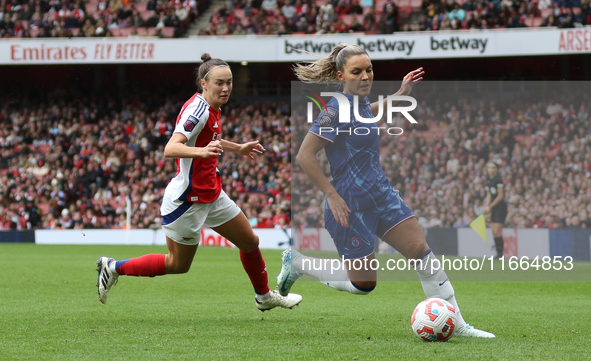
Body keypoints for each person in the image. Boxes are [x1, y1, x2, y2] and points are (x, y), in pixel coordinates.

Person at [277, 43, 494, 337]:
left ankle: (457, 325)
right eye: (357, 72)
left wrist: (400, 96)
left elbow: (369, 113)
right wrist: (332, 195)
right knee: (363, 285)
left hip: (381, 194)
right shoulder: (333, 110)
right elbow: (304, 155)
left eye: (369, 70)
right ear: (341, 75)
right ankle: (300, 264)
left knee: (421, 251)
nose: (365, 76)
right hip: (350, 204)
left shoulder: (360, 102)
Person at [96, 53, 302, 312]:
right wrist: (201, 152)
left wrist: (237, 148)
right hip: (187, 200)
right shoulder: (199, 110)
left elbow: (209, 139)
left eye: (229, 82)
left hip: (211, 193)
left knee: (250, 241)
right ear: (204, 83)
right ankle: (113, 267)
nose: (225, 88)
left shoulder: (212, 107)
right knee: (177, 265)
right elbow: (171, 148)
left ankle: (264, 297)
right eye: (219, 83)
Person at [484, 161, 507, 259]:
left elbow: (501, 196)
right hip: (493, 207)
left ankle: (501, 254)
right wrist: (486, 205)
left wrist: (491, 206)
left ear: (496, 169)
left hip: (500, 208)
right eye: (489, 168)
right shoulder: (489, 179)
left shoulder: (498, 180)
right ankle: (498, 254)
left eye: (493, 168)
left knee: (497, 231)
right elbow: (489, 194)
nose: (491, 170)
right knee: (493, 231)